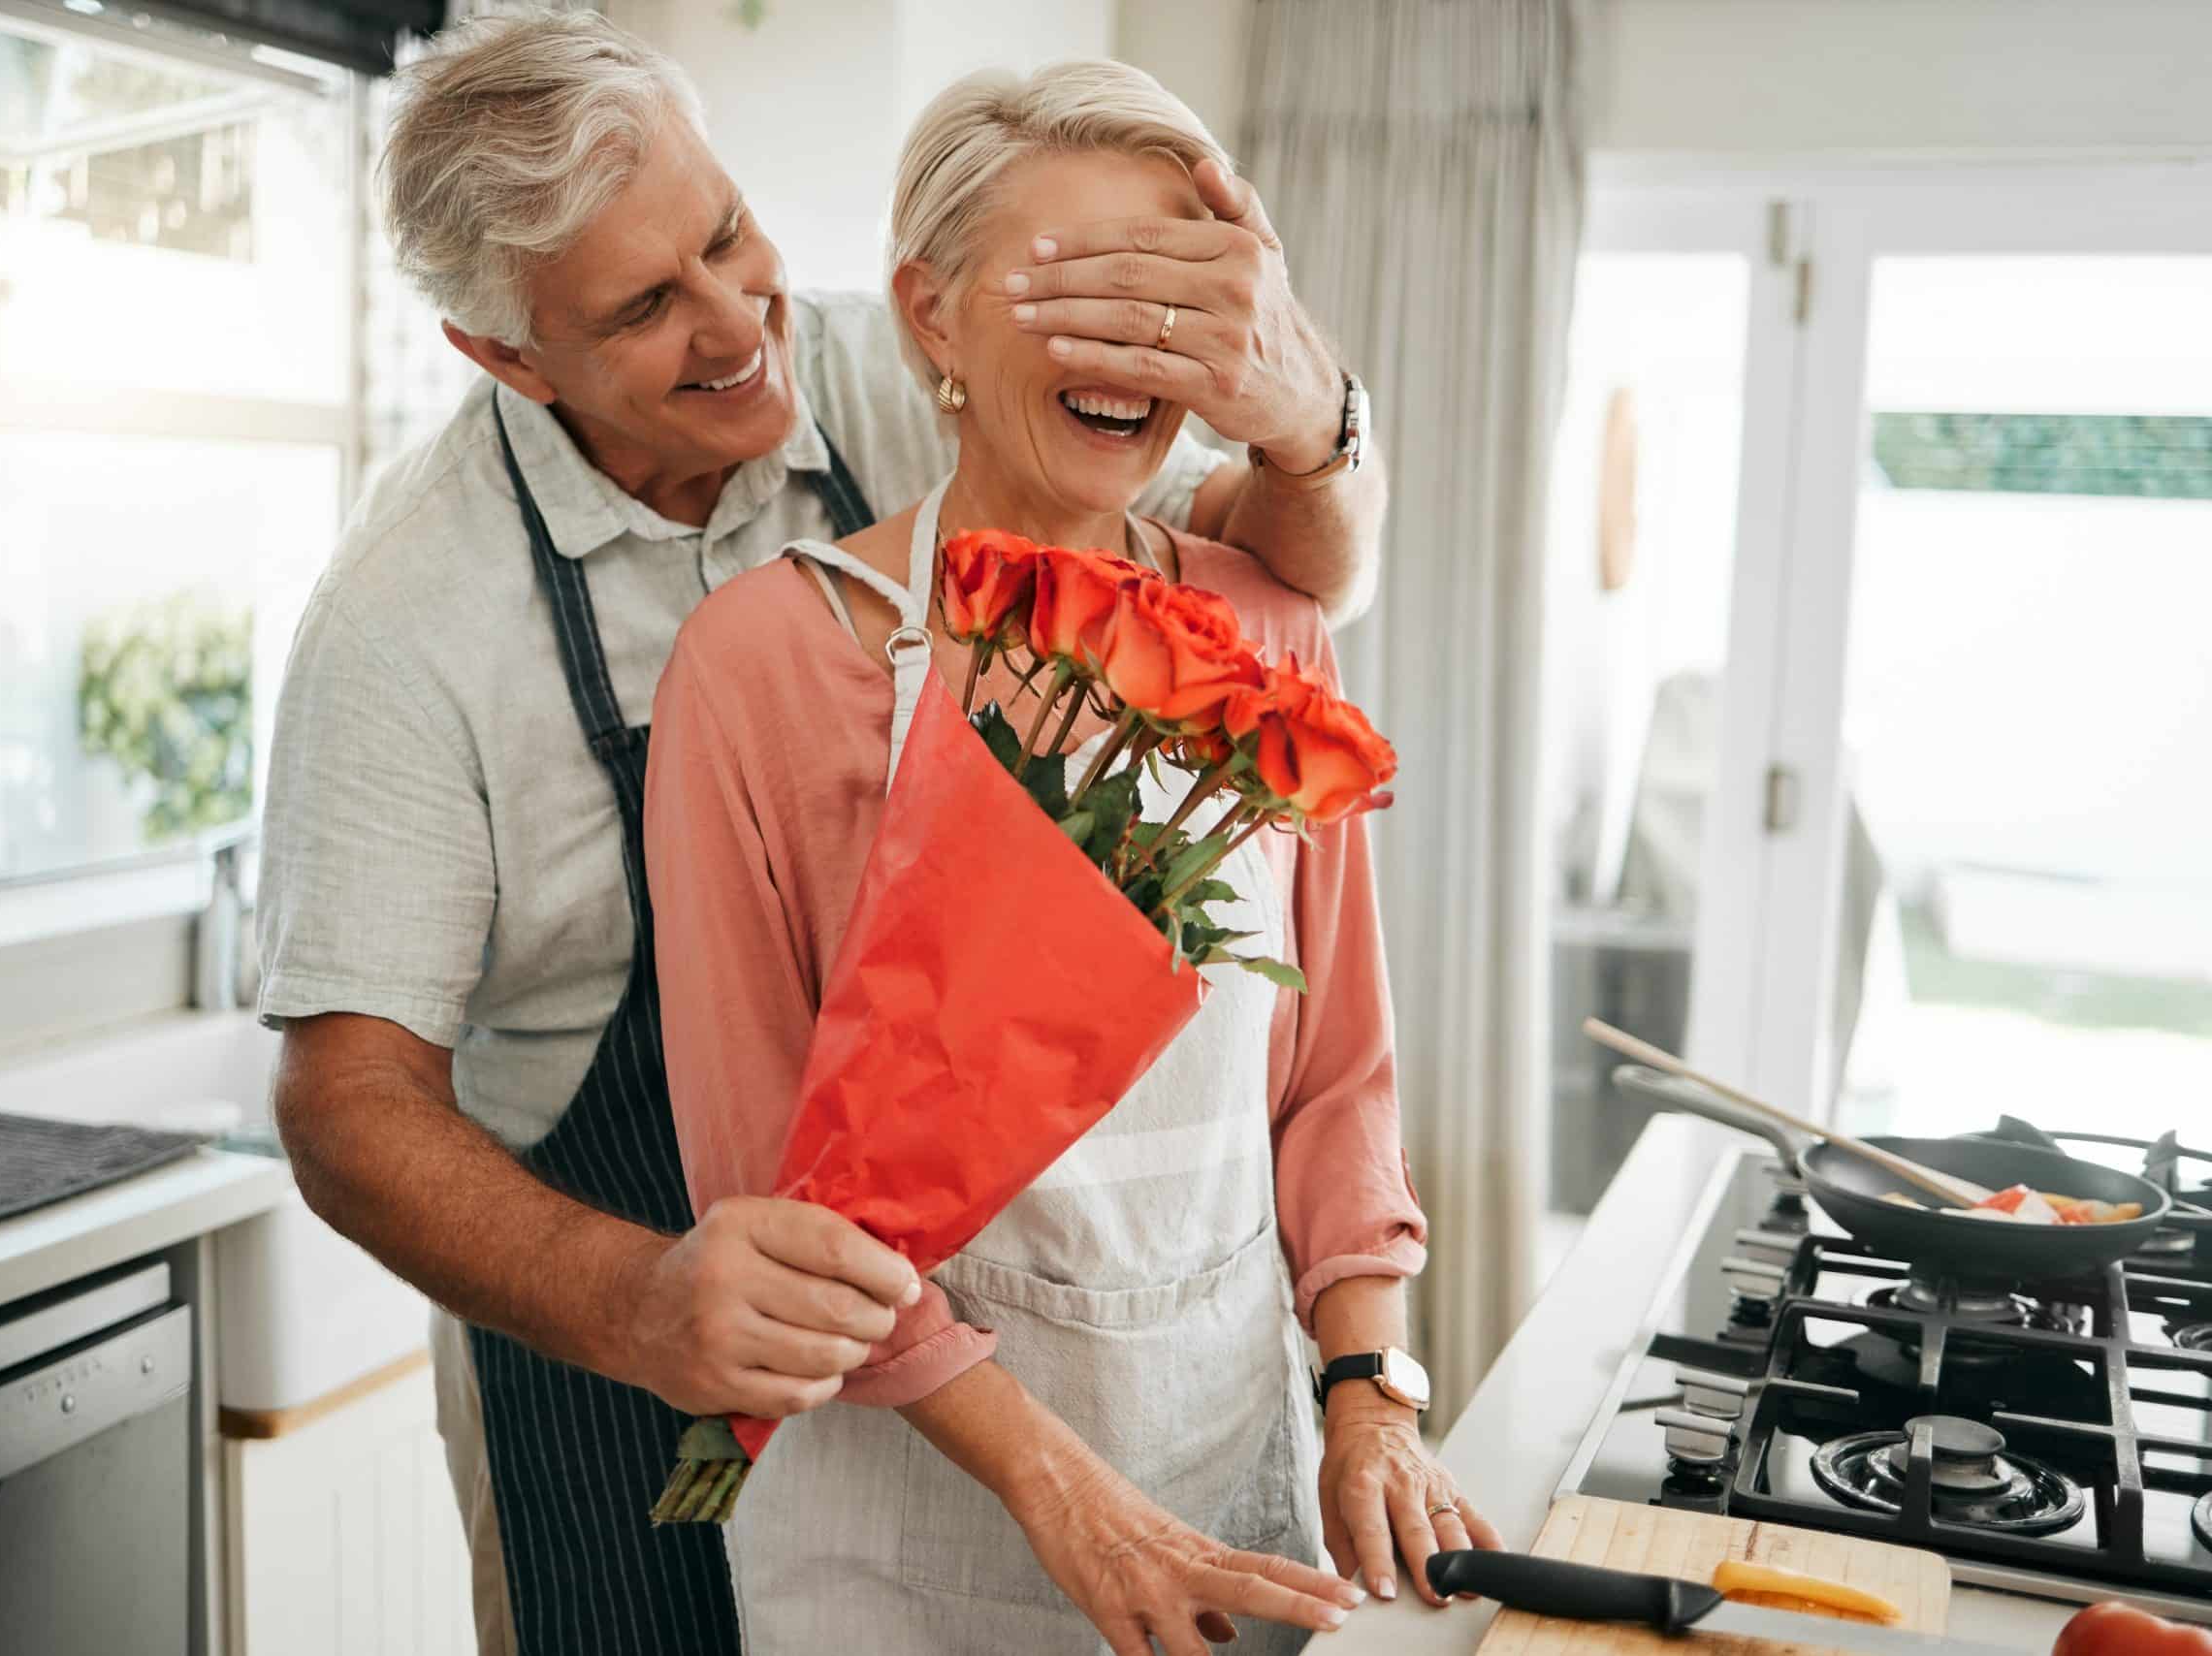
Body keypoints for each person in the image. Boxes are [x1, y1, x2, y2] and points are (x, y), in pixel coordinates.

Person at [257, 13, 1386, 1656]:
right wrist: (649, 1304)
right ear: (508, 357)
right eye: (644, 308)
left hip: (962, 1332)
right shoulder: (405, 624)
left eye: (726, 237)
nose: (734, 327)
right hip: (606, 1297)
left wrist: (1312, 415)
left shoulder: (878, 353)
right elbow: (346, 1108)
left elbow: (1260, 564)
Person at [645, 61, 1494, 1656]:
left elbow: (1336, 1087)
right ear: (933, 316)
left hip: (1227, 1465)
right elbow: (772, 1193)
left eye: (1169, 301)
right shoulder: (762, 666)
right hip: (903, 1517)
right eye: (1075, 293)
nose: (1130, 351)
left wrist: (1372, 1394)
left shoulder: (1269, 628)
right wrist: (1061, 1492)